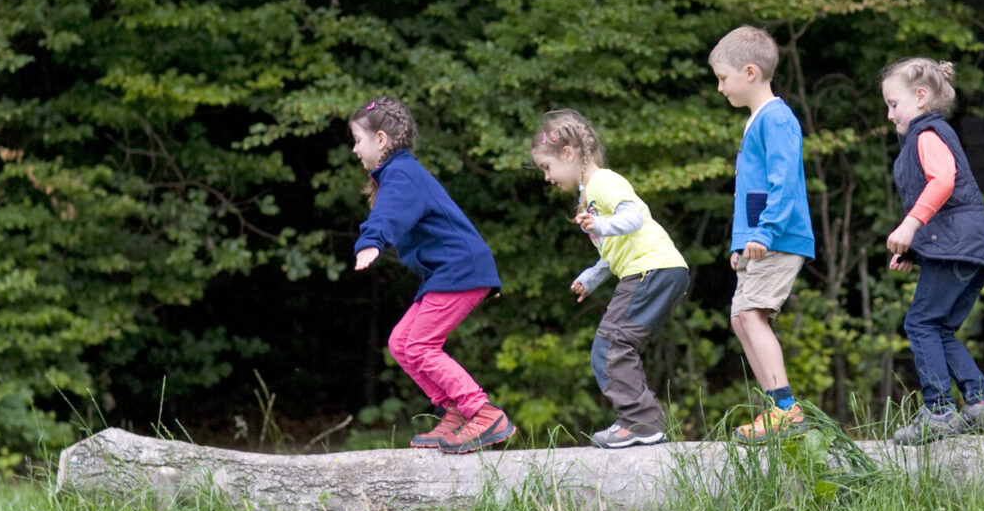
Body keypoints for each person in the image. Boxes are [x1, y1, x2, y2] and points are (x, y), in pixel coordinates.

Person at [349, 96, 513, 453]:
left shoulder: (401, 174)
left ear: (380, 140)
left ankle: (483, 413)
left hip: (461, 269)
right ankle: (455, 410)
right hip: (449, 272)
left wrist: (372, 241)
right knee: (401, 343)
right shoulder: (398, 173)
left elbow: (388, 213)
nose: (355, 149)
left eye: (358, 140)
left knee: (420, 345)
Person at [530, 110, 691, 448]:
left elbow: (632, 218)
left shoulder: (603, 182)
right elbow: (614, 249)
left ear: (568, 154)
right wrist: (592, 277)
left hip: (650, 269)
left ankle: (639, 422)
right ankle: (643, 422)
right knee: (617, 344)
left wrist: (601, 224)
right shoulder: (590, 194)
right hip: (659, 269)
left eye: (547, 167)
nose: (546, 177)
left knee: (609, 346)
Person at [881, 58, 984, 443]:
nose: (889, 115)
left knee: (920, 324)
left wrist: (910, 226)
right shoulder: (927, 135)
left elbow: (942, 182)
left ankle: (938, 411)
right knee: (938, 328)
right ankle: (981, 404)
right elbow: (943, 209)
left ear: (920, 97)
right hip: (968, 247)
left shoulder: (927, 133)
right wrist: (914, 250)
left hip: (957, 247)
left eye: (893, 104)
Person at [709, 26, 816, 439]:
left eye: (723, 78)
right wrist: (742, 242)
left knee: (752, 314)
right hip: (758, 240)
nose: (721, 88)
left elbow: (783, 182)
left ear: (750, 72)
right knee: (741, 318)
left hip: (778, 237)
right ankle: (776, 408)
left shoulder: (777, 119)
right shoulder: (758, 120)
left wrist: (765, 233)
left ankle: (786, 410)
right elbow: (752, 192)